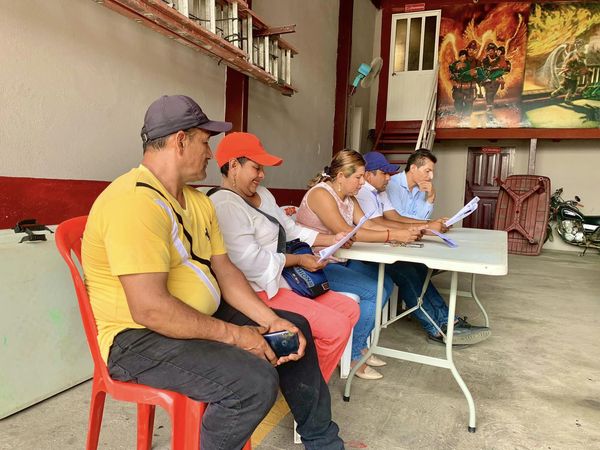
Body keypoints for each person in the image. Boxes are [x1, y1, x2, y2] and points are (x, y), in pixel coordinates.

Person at [82, 95, 345, 450]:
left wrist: (269, 321)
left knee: (291, 329)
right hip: (138, 338)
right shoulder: (134, 202)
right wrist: (237, 336)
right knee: (253, 383)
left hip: (196, 315)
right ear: (180, 141)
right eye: (205, 142)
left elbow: (225, 270)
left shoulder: (197, 201)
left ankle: (323, 442)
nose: (210, 154)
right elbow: (150, 309)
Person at [209, 131, 360, 382]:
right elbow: (251, 263)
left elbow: (291, 230)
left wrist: (333, 239)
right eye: (256, 168)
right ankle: (309, 389)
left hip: (285, 280)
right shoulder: (225, 205)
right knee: (336, 327)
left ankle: (307, 376)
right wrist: (299, 260)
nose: (262, 175)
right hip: (260, 289)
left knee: (350, 309)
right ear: (233, 165)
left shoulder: (264, 195)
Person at [296, 150, 422, 380]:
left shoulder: (348, 197)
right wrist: (392, 235)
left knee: (384, 284)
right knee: (373, 290)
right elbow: (346, 232)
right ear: (341, 176)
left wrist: (406, 231)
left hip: (338, 261)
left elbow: (369, 226)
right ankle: (353, 354)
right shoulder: (321, 194)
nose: (362, 182)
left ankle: (359, 345)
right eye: (359, 177)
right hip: (313, 266)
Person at [356, 152, 491, 345]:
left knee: (418, 268)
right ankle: (437, 329)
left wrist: (427, 224)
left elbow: (394, 217)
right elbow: (379, 223)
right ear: (369, 174)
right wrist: (426, 227)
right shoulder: (364, 192)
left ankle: (448, 321)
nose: (388, 177)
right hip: (366, 252)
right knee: (406, 272)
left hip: (381, 245)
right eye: (384, 173)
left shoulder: (379, 191)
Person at [387, 148, 437, 220]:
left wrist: (431, 198)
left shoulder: (420, 186)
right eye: (427, 171)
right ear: (413, 168)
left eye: (432, 172)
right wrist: (431, 223)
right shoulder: (392, 184)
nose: (431, 177)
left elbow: (420, 218)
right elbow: (398, 218)